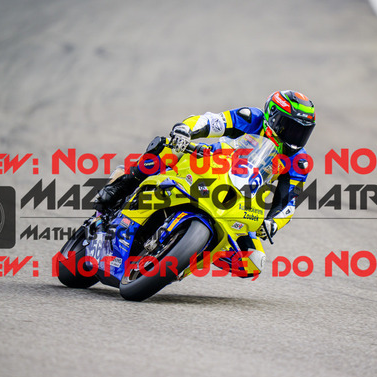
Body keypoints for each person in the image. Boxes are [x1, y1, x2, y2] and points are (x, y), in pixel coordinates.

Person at [94, 90, 316, 275]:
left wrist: (273, 223)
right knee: (168, 149)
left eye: (302, 132)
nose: (295, 137)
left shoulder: (299, 161)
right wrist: (186, 131)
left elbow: (288, 202)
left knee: (252, 262)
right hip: (207, 163)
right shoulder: (251, 118)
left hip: (239, 198)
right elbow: (211, 121)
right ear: (273, 116)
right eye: (291, 127)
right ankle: (122, 184)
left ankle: (188, 252)